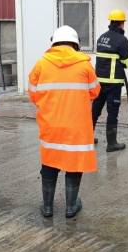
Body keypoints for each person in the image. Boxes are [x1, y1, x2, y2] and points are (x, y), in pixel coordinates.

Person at [28, 26, 100, 218]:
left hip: (50, 124)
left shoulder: (41, 64)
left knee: (50, 163)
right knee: (74, 164)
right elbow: (95, 92)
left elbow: (33, 94)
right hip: (76, 127)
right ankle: (70, 207)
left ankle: (48, 207)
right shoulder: (84, 65)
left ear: (54, 43)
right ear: (75, 43)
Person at [91, 9, 128, 152]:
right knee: (112, 112)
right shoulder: (121, 40)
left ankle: (86, 138)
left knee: (95, 110)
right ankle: (111, 143)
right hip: (113, 84)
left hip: (99, 82)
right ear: (121, 23)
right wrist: (125, 61)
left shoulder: (101, 38)